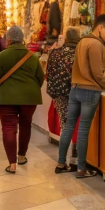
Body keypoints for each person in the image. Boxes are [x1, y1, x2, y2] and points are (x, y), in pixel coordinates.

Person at [55, 14, 105, 178]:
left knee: (68, 127)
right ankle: (81, 168)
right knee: (83, 130)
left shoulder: (82, 41)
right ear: (100, 28)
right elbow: (98, 73)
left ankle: (61, 163)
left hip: (75, 89)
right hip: (89, 90)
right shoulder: (96, 44)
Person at [0, 27, 45, 174]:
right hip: (29, 98)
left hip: (7, 98)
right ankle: (22, 156)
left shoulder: (2, 56)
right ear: (22, 39)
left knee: (9, 128)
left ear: (8, 40)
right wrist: (30, 90)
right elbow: (40, 77)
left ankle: (12, 164)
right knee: (26, 125)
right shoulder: (32, 56)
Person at [45, 28, 81, 166]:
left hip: (58, 94)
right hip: (76, 92)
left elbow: (48, 72)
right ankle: (74, 158)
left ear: (65, 39)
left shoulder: (54, 52)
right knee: (78, 125)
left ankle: (61, 162)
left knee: (65, 126)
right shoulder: (80, 53)